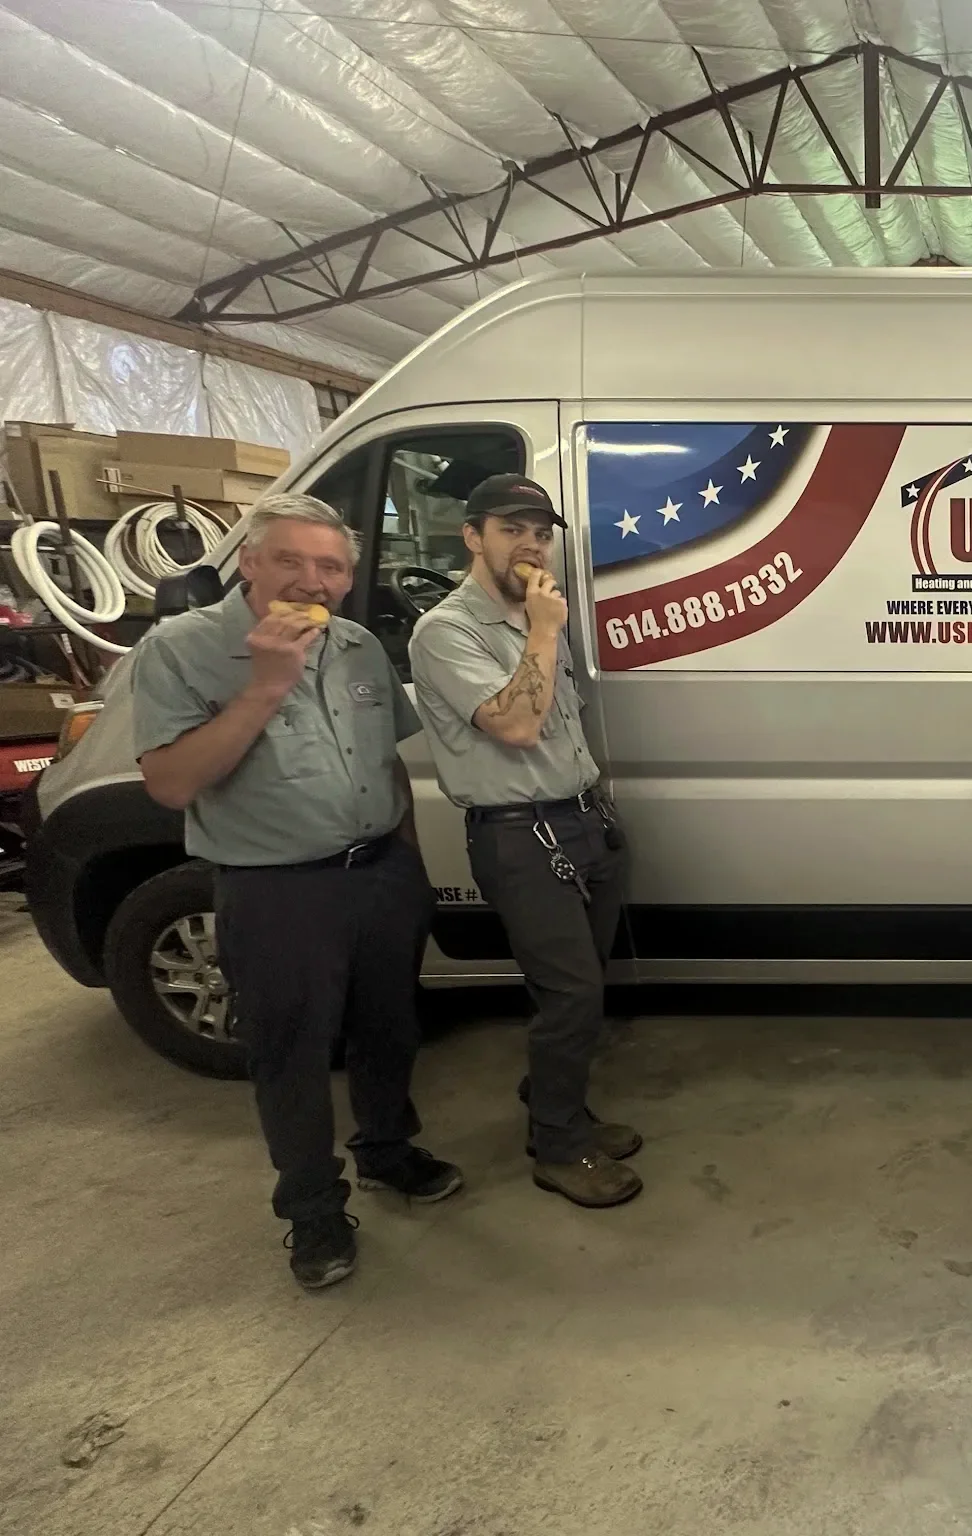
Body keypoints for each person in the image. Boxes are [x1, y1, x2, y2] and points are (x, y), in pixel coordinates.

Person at [131, 493, 459, 1292]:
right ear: (248, 561)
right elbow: (171, 783)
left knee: (388, 1030)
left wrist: (408, 862)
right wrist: (265, 687)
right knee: (292, 1055)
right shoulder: (180, 648)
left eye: (331, 566)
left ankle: (386, 1150)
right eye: (291, 559)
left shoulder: (357, 645)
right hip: (277, 891)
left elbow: (386, 762)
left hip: (380, 874)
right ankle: (312, 1210)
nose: (313, 580)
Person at [408, 474, 642, 1210]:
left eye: (540, 533)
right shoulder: (448, 631)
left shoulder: (536, 616)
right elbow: (515, 724)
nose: (531, 545)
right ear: (472, 537)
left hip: (581, 821)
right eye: (511, 529)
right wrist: (542, 630)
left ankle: (558, 1104)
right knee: (573, 995)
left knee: (576, 986)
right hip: (522, 836)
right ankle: (558, 1145)